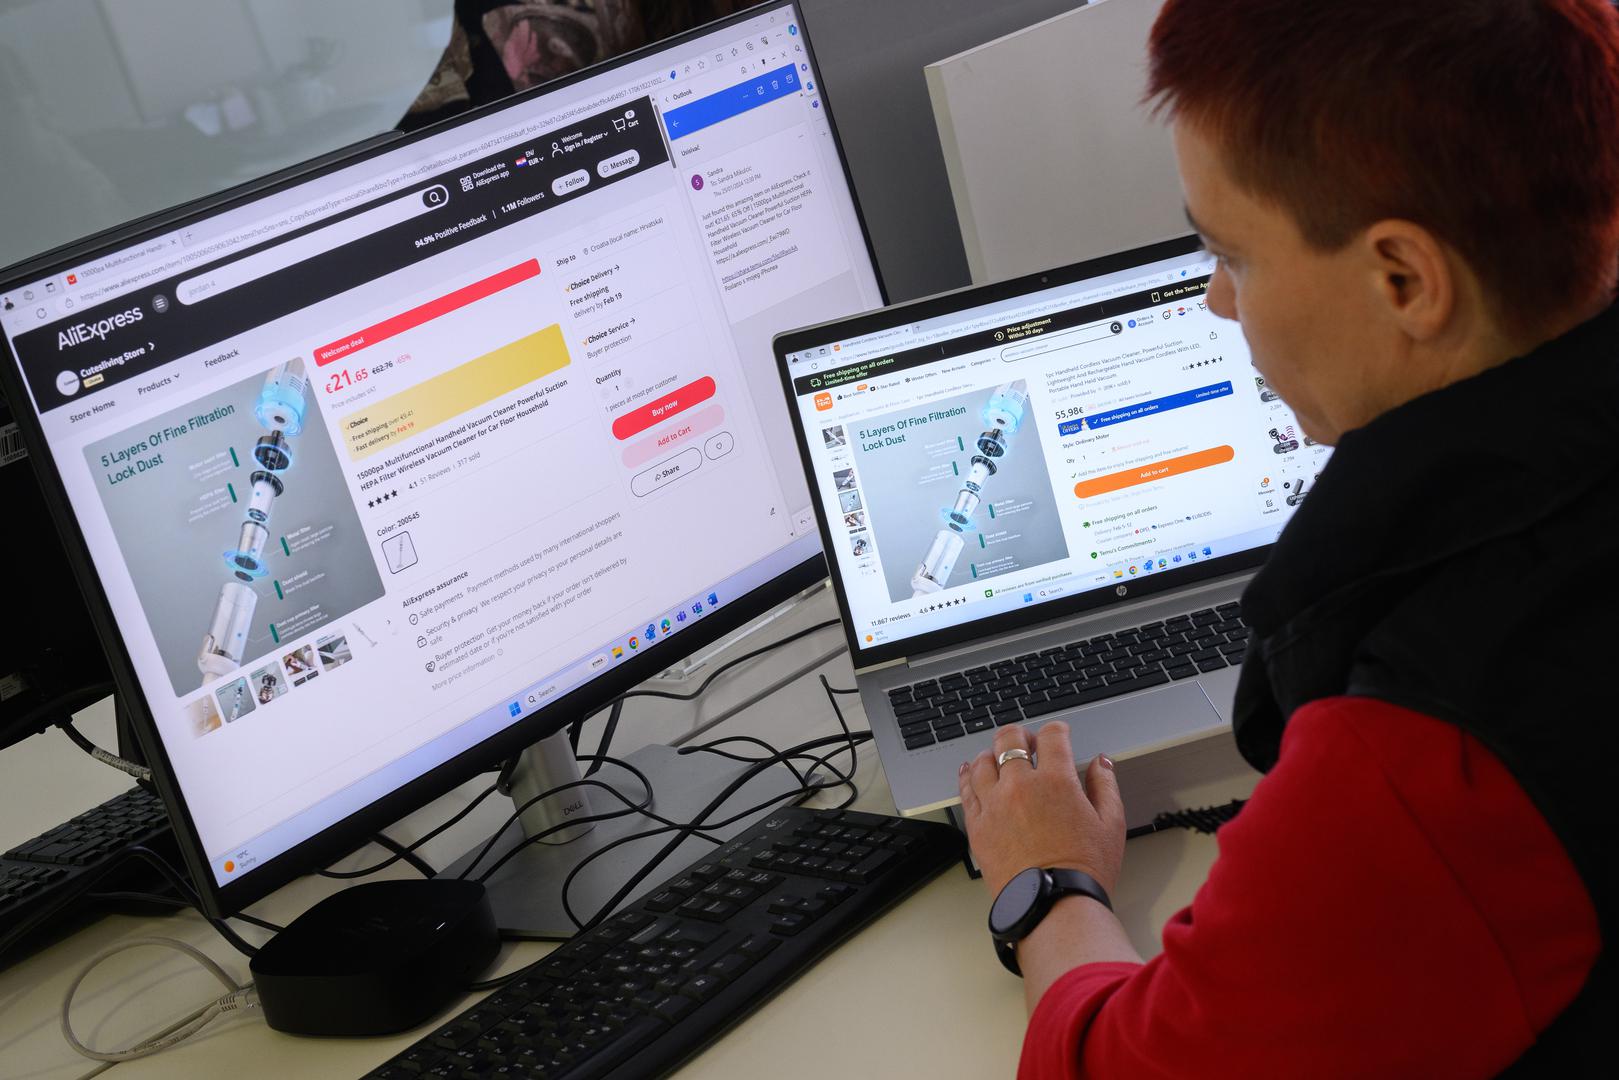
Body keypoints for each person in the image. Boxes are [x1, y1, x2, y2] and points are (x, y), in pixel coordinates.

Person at [956, 1, 1619, 1075]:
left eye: (1231, 255)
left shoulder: (1424, 755)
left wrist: (1047, 882)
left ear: (1403, 280)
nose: (1217, 301)